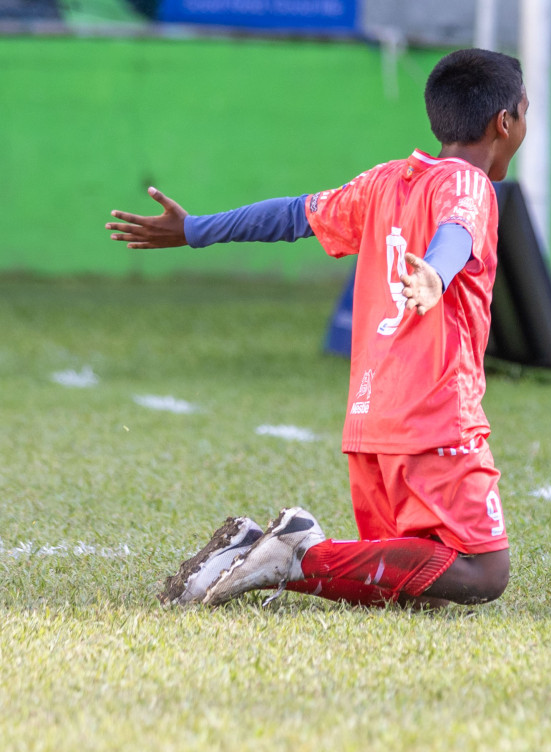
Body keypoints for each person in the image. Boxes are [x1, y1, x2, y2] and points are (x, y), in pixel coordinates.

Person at [108, 48, 526, 607]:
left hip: (370, 425)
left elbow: (293, 215)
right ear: (506, 121)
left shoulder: (385, 182)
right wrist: (436, 274)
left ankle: (258, 548)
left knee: (413, 589)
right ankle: (296, 556)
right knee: (482, 573)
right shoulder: (468, 183)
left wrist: (197, 230)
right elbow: (457, 230)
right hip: (435, 418)